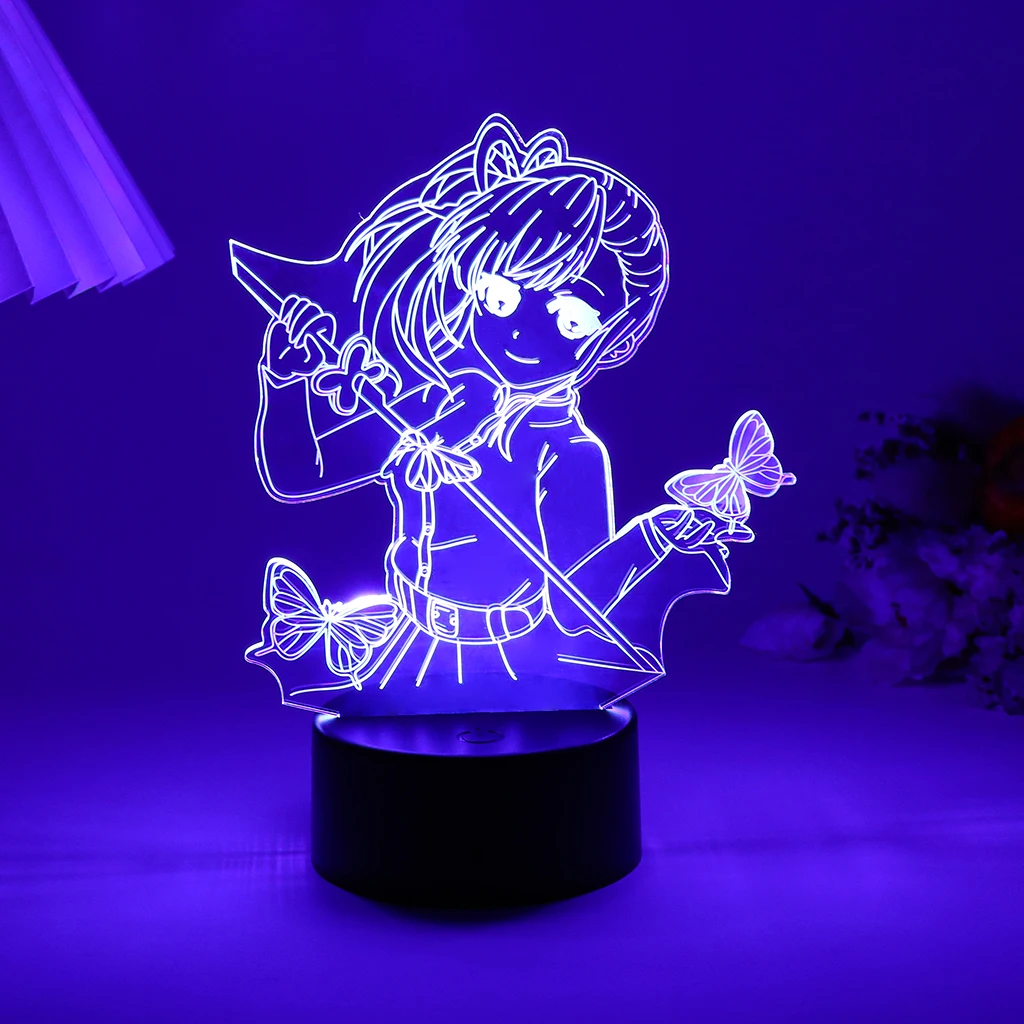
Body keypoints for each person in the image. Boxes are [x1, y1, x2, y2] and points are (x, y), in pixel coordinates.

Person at [242, 114, 742, 715]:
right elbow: (302, 476)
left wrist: (651, 537)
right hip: (408, 642)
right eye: (499, 298)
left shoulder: (572, 453)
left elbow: (575, 603)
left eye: (571, 321)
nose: (520, 334)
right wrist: (283, 384)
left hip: (511, 662)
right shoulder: (450, 398)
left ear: (615, 338)